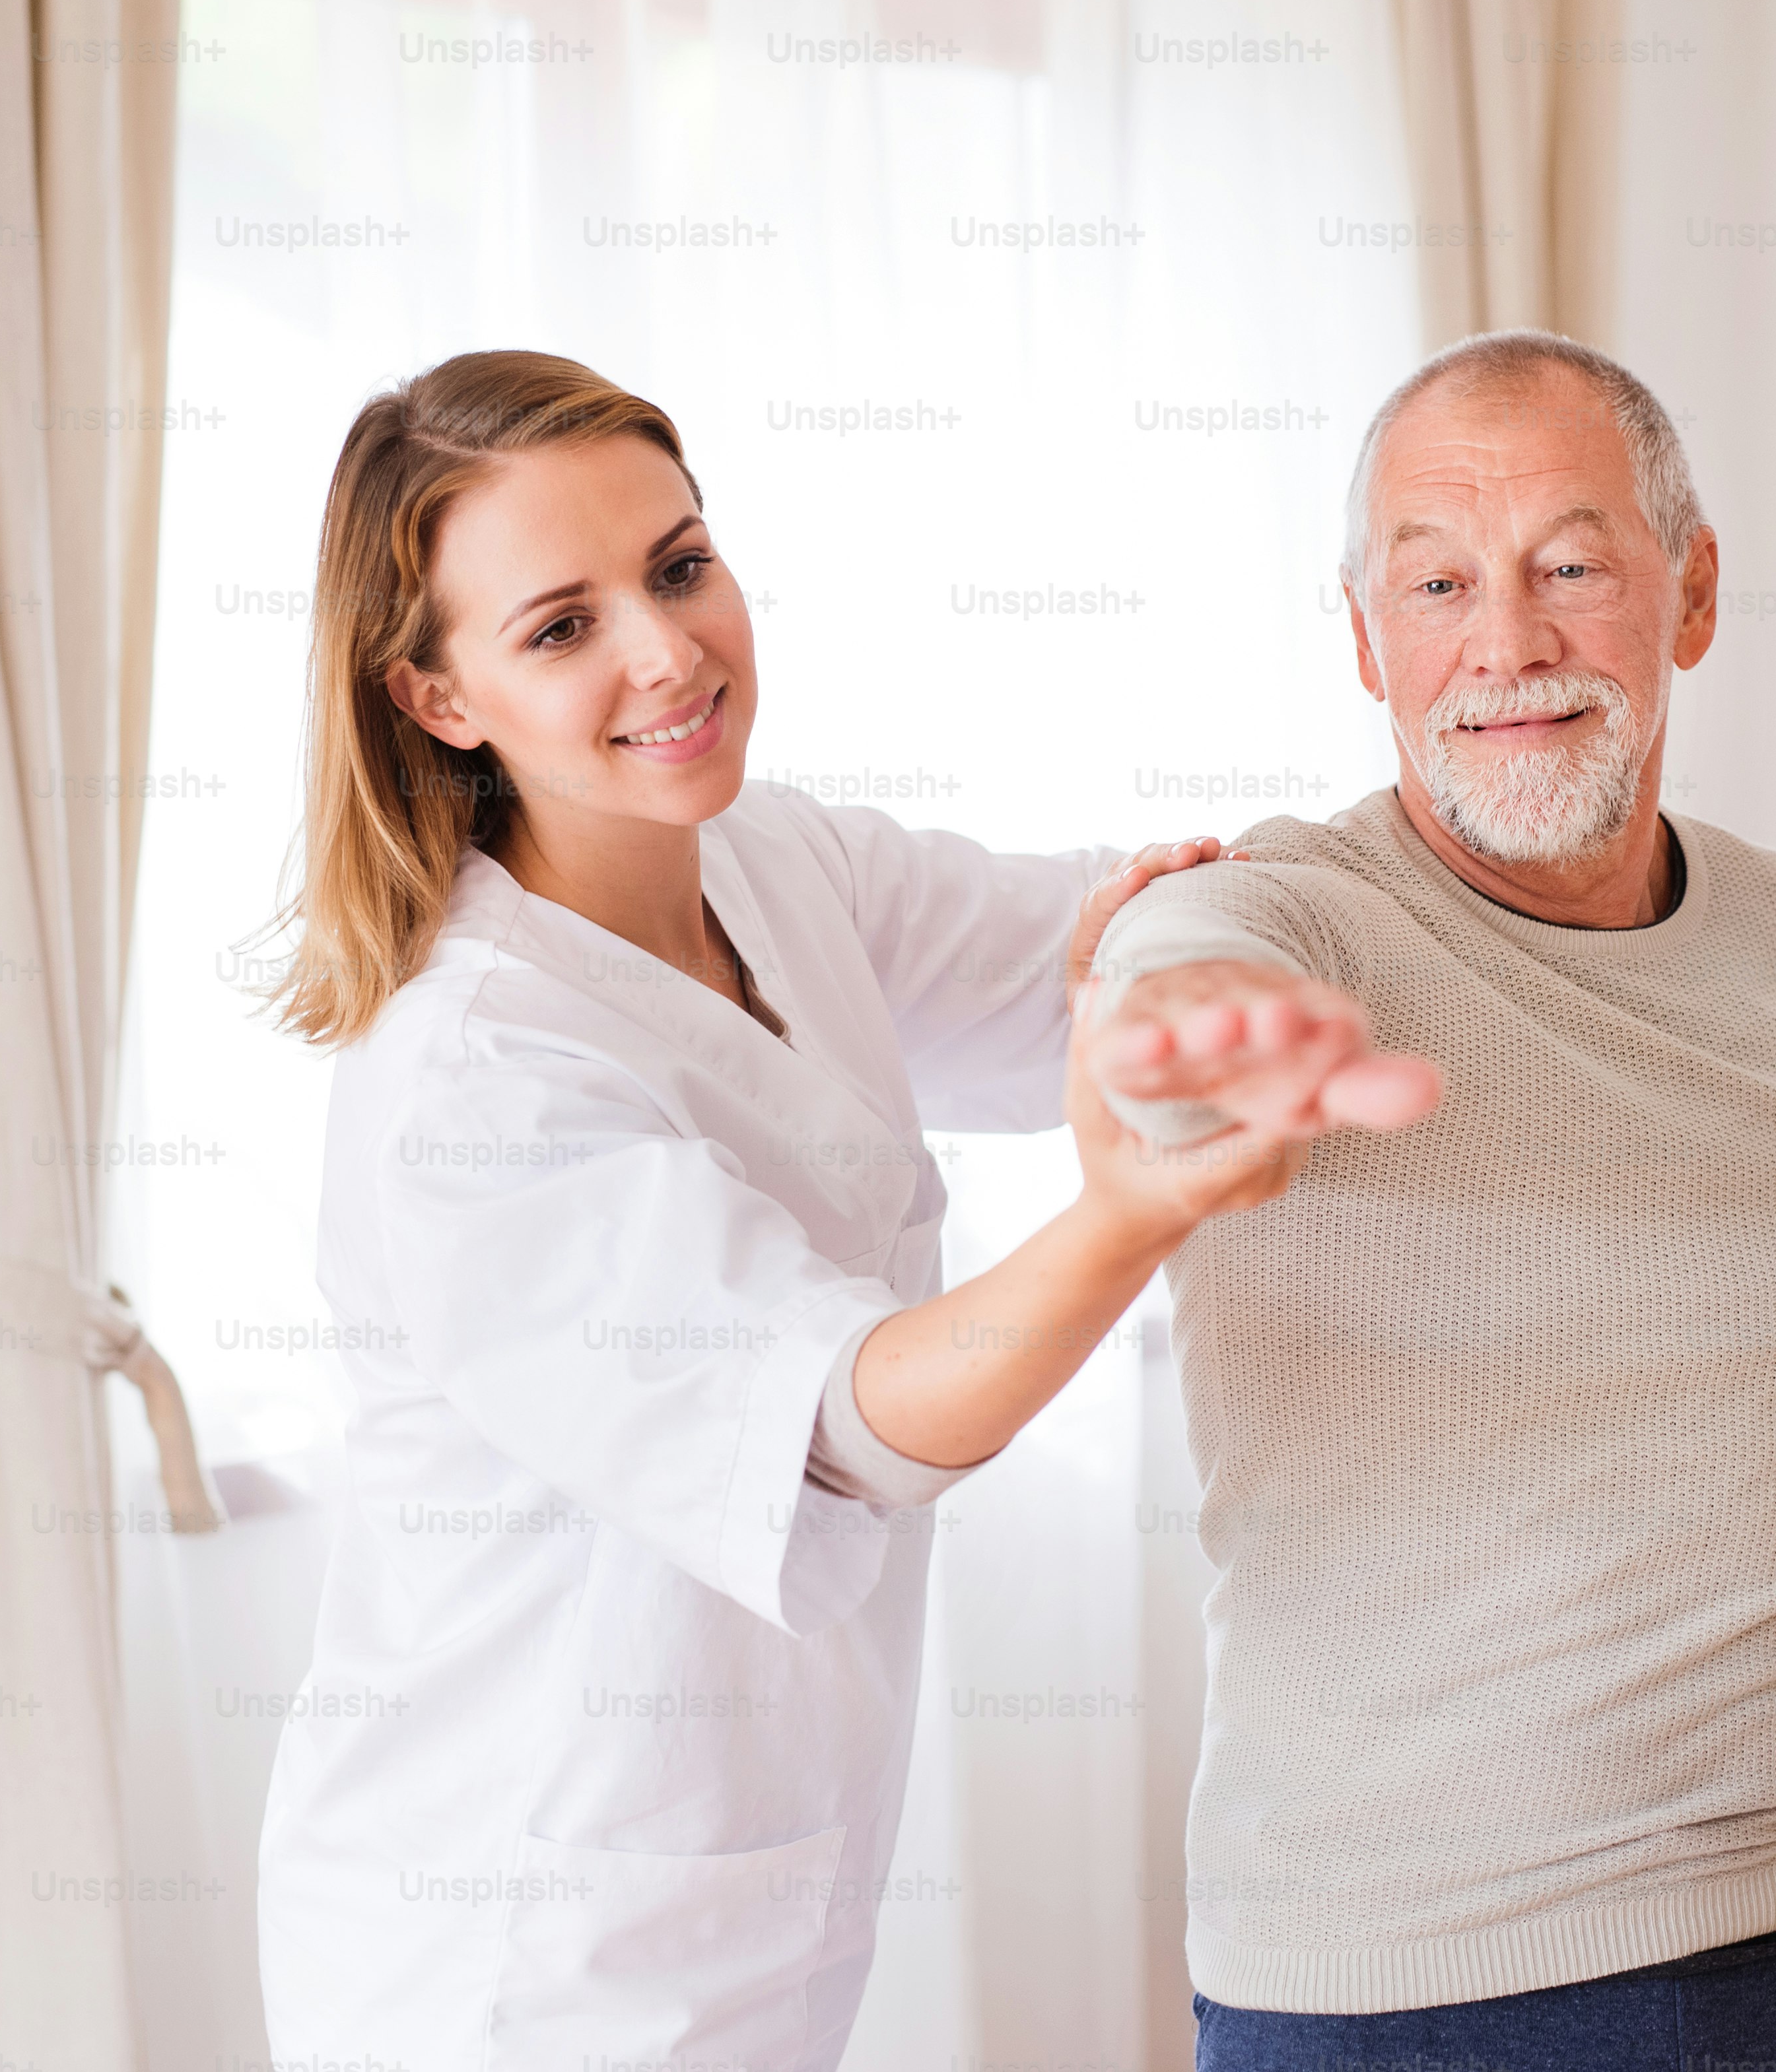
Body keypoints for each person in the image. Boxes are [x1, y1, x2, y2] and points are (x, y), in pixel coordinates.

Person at [250, 351, 1436, 2072]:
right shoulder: (473, 1086)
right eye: (561, 626)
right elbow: (853, 1424)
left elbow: (1076, 961)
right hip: (508, 1959)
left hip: (729, 1899)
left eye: (678, 566)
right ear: (437, 699)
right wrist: (1130, 1210)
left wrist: (1245, 956)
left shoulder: (772, 864)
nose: (669, 652)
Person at [1086, 330, 1776, 2070]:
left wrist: (1724, 1624)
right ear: (1363, 641)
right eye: (1437, 582)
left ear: (1690, 591)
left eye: (1570, 564)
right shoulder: (1296, 918)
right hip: (1384, 1989)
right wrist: (1183, 1034)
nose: (1507, 642)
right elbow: (1171, 988)